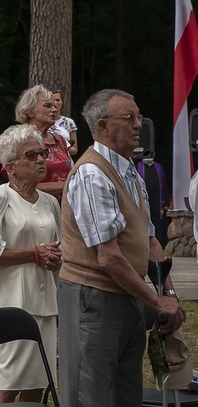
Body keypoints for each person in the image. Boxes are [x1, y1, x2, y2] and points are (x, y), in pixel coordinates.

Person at [57, 89, 186, 407]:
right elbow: (108, 256)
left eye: (139, 117)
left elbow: (151, 241)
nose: (138, 124)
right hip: (94, 298)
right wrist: (155, 302)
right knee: (91, 394)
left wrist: (168, 295)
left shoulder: (132, 172)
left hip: (128, 295)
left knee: (126, 393)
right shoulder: (91, 173)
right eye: (129, 118)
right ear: (103, 126)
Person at [0, 124, 61, 403]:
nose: (41, 160)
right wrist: (33, 254)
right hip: (12, 306)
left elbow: (58, 248)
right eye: (31, 155)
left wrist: (56, 257)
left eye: (42, 153)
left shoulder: (49, 202)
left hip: (45, 306)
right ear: (11, 166)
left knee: (37, 384)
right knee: (8, 384)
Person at [14, 85, 72, 202]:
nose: (54, 110)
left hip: (64, 209)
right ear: (30, 112)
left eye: (55, 106)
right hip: (35, 208)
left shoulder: (59, 140)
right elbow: (17, 185)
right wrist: (62, 186)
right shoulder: (19, 141)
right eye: (47, 106)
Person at [50, 88, 78, 156]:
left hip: (65, 160)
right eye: (53, 100)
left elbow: (75, 149)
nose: (55, 103)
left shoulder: (69, 122)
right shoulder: (43, 121)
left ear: (62, 102)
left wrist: (63, 148)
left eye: (58, 100)